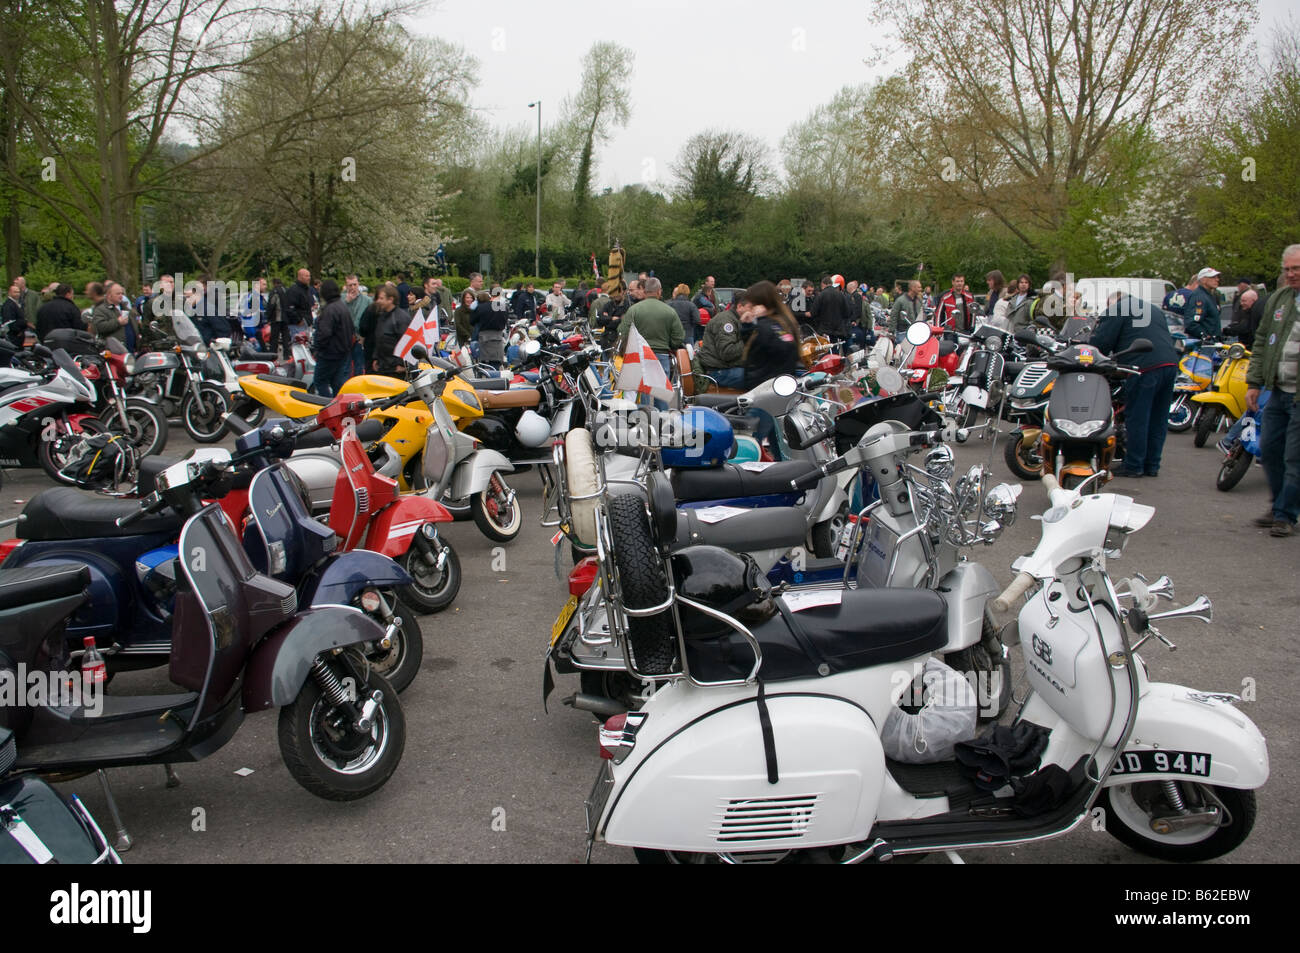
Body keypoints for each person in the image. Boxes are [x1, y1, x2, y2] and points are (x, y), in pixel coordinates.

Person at [1244, 243, 1300, 537]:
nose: (1291, 274)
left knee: (1294, 456)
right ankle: (1280, 504)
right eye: (1287, 269)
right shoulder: (1280, 298)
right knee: (1270, 449)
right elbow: (1263, 339)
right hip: (1278, 390)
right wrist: (1254, 383)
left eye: (1296, 269)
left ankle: (1285, 514)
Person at [1090, 293, 1179, 478]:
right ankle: (1152, 465)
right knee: (1159, 418)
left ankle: (1134, 465)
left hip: (1144, 366)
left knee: (1138, 416)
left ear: (1113, 302)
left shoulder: (1118, 309)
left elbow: (1101, 342)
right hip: (1170, 364)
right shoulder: (1153, 309)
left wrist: (1091, 356)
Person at [742, 280, 801, 457]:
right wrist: (747, 327)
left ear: (763, 303)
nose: (749, 308)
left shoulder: (771, 326)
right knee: (778, 443)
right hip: (772, 389)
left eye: (753, 304)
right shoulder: (781, 323)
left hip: (766, 391)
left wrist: (759, 322)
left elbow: (779, 348)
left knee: (749, 441)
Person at [618, 276, 684, 410]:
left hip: (639, 355)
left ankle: (643, 421)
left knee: (643, 391)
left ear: (645, 291)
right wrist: (668, 343)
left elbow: (622, 331)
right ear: (659, 291)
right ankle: (663, 421)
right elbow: (679, 337)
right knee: (661, 393)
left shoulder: (634, 310)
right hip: (662, 355)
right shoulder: (669, 311)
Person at [311, 279, 354, 397]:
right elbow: (351, 329)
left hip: (329, 353)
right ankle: (336, 407)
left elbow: (324, 333)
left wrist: (317, 349)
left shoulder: (329, 310)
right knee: (337, 384)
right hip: (342, 352)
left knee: (320, 381)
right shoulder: (342, 307)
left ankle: (328, 406)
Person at [696, 292, 746, 390]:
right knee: (758, 378)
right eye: (751, 307)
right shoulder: (726, 321)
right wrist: (748, 339)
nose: (754, 311)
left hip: (725, 367)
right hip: (718, 371)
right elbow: (727, 353)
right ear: (740, 306)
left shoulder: (736, 319)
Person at [373, 283, 410, 377]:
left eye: (381, 298)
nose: (378, 301)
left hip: (395, 369)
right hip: (383, 366)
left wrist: (402, 364)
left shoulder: (401, 318)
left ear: (390, 300)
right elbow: (379, 338)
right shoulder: (382, 316)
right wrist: (376, 358)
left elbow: (407, 342)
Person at [91, 282, 139, 350]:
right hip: (114, 351)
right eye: (118, 294)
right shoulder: (100, 310)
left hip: (132, 350)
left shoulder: (126, 309)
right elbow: (99, 327)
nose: (121, 296)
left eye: (122, 293)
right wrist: (118, 322)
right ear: (108, 295)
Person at [1182, 267, 1222, 343]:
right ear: (1203, 280)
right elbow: (1191, 323)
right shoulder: (1199, 297)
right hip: (1203, 345)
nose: (1217, 279)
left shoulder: (1209, 296)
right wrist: (1205, 336)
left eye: (1217, 277)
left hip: (1212, 343)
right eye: (1213, 277)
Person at [809, 274, 851, 345]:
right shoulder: (841, 295)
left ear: (823, 284)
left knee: (825, 352)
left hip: (824, 330)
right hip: (838, 330)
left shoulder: (821, 295)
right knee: (835, 351)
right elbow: (847, 313)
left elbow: (813, 313)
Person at [344, 275, 371, 377]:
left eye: (355, 284)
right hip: (345, 338)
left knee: (359, 366)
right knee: (345, 367)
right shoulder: (342, 299)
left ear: (358, 285)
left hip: (360, 338)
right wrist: (347, 302)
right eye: (350, 285)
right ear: (346, 286)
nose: (353, 287)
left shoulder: (367, 300)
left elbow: (371, 318)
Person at [476, 291, 508, 368]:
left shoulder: (480, 308)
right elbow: (505, 319)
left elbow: (473, 321)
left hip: (484, 337)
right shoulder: (502, 306)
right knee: (496, 361)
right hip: (498, 336)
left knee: (485, 362)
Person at [284, 268, 314, 339]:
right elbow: (289, 308)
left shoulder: (307, 290)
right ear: (300, 277)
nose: (309, 278)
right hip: (297, 325)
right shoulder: (293, 290)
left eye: (309, 276)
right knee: (298, 346)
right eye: (306, 276)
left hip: (306, 323)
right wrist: (298, 320)